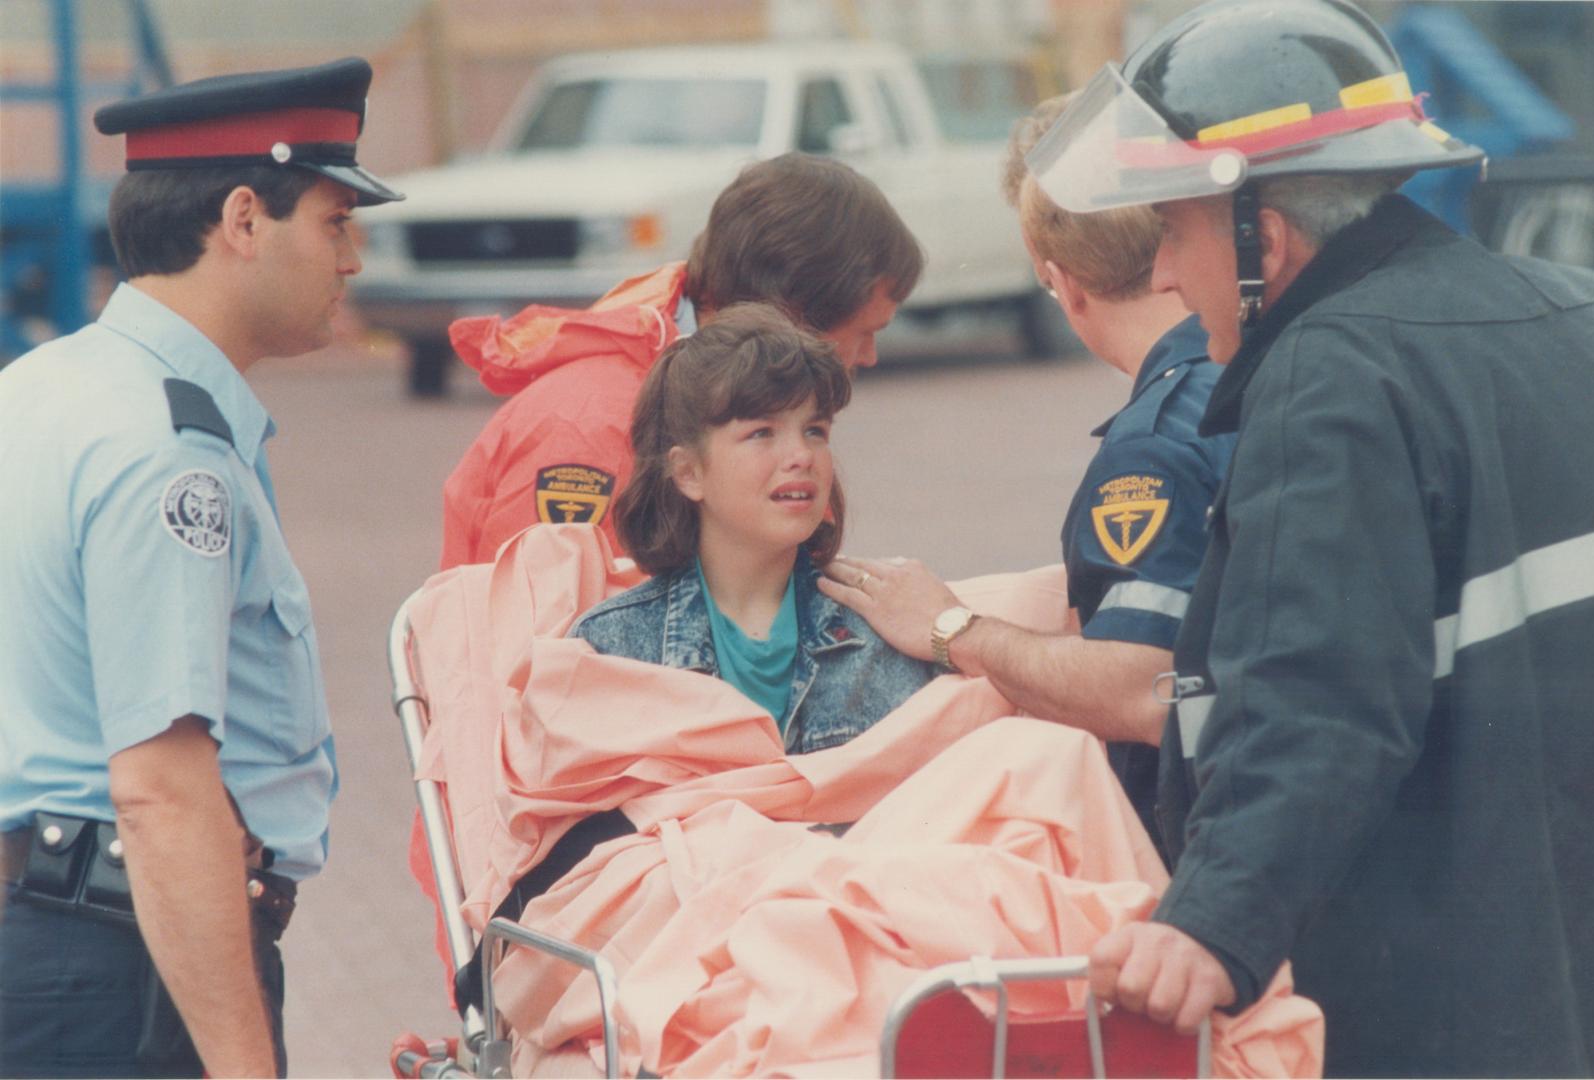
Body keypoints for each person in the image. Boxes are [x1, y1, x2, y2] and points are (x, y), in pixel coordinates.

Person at [1024, 0, 1594, 1074]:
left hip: (1442, 1008)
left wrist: (1211, 923)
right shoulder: (1590, 313)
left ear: (1265, 233)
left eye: (1169, 229)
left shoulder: (1331, 379)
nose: (1159, 273)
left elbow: (1316, 697)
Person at [0, 59, 403, 1078]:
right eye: (333, 222)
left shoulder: (42, 387)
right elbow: (162, 790)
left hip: (49, 935)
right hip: (123, 962)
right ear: (241, 219)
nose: (351, 259)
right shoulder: (166, 447)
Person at [818, 94, 1233, 859]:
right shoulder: (1251, 369)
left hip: (1207, 837)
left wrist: (953, 629)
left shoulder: (1154, 445)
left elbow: (1144, 689)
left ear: (1061, 280)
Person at [438, 153, 922, 570]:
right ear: (793, 313)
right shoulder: (594, 426)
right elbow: (542, 649)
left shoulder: (737, 401)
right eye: (864, 332)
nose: (869, 357)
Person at [569, 305, 935, 753]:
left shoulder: (881, 633)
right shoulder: (611, 646)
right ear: (688, 473)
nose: (801, 455)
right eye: (762, 432)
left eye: (815, 430)